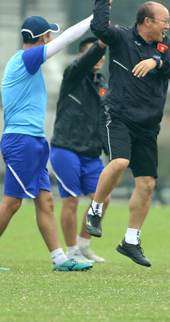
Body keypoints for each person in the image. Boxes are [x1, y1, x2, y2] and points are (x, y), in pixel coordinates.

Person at [0, 4, 98, 272]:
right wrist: (94, 17)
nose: (51, 39)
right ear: (42, 39)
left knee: (46, 200)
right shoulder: (26, 59)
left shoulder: (26, 62)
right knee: (12, 202)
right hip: (21, 141)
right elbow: (66, 40)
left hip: (34, 141)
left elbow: (60, 40)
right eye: (48, 35)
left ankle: (60, 260)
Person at [85, 0, 170, 268]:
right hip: (118, 116)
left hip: (148, 125)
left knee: (147, 183)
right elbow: (99, 29)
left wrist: (157, 62)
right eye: (164, 21)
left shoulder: (165, 46)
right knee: (119, 163)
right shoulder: (122, 38)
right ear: (146, 21)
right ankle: (94, 210)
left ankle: (130, 240)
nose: (168, 26)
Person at [50, 36, 109, 264]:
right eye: (94, 53)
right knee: (71, 201)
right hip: (66, 148)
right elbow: (82, 63)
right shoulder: (73, 75)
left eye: (102, 55)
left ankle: (83, 244)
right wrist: (100, 45)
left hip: (91, 153)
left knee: (103, 199)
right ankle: (71, 250)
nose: (99, 58)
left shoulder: (102, 83)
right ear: (81, 56)